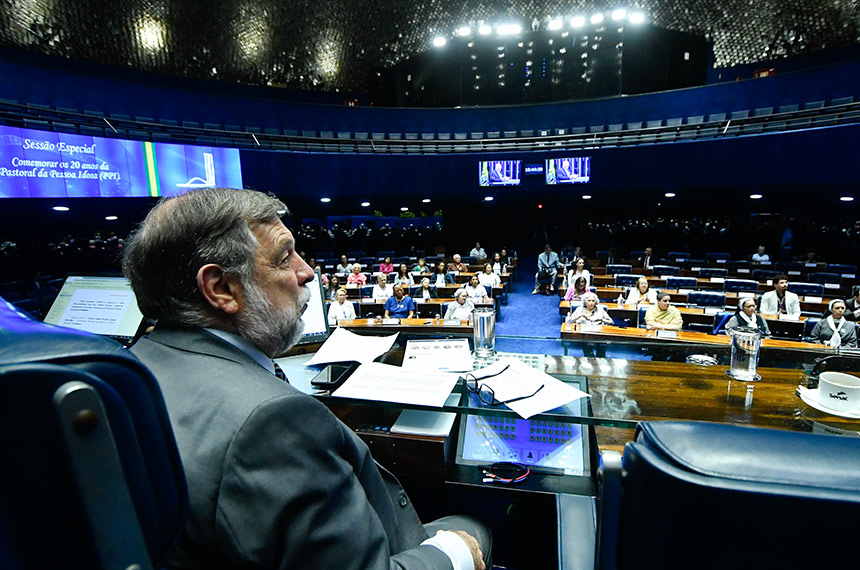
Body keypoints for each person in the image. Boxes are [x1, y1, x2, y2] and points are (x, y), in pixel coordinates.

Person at [122, 188, 489, 570]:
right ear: (221, 289)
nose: (307, 271)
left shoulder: (130, 367)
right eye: (284, 257)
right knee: (470, 529)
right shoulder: (273, 422)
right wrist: (456, 554)